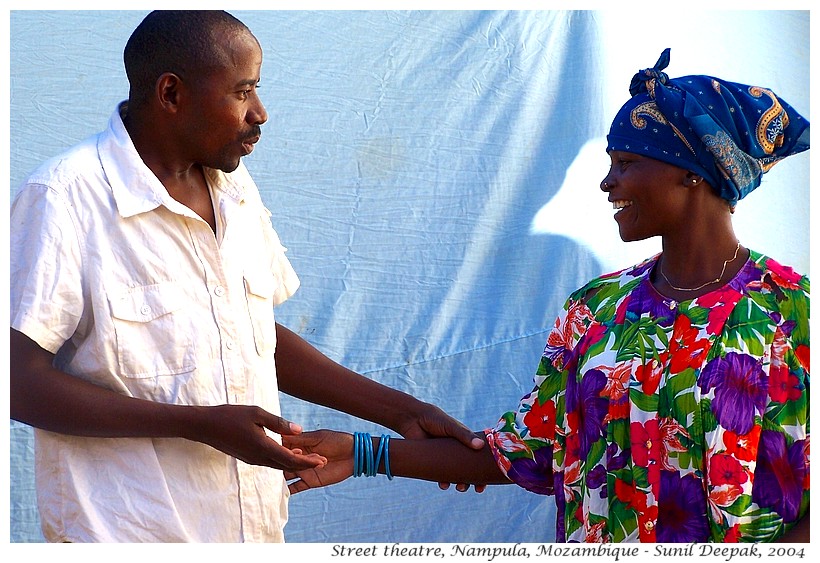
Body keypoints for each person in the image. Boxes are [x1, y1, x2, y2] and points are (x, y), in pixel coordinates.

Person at [284, 49, 810, 543]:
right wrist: (361, 452)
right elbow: (525, 453)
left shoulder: (791, 311)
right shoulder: (595, 311)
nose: (608, 182)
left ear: (693, 172)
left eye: (627, 162)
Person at [9, 10, 484, 543]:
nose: (260, 113)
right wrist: (198, 424)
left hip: (251, 531)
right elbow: (18, 384)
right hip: (130, 534)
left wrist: (403, 412)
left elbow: (253, 335)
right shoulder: (65, 198)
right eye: (242, 92)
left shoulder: (233, 189)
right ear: (171, 93)